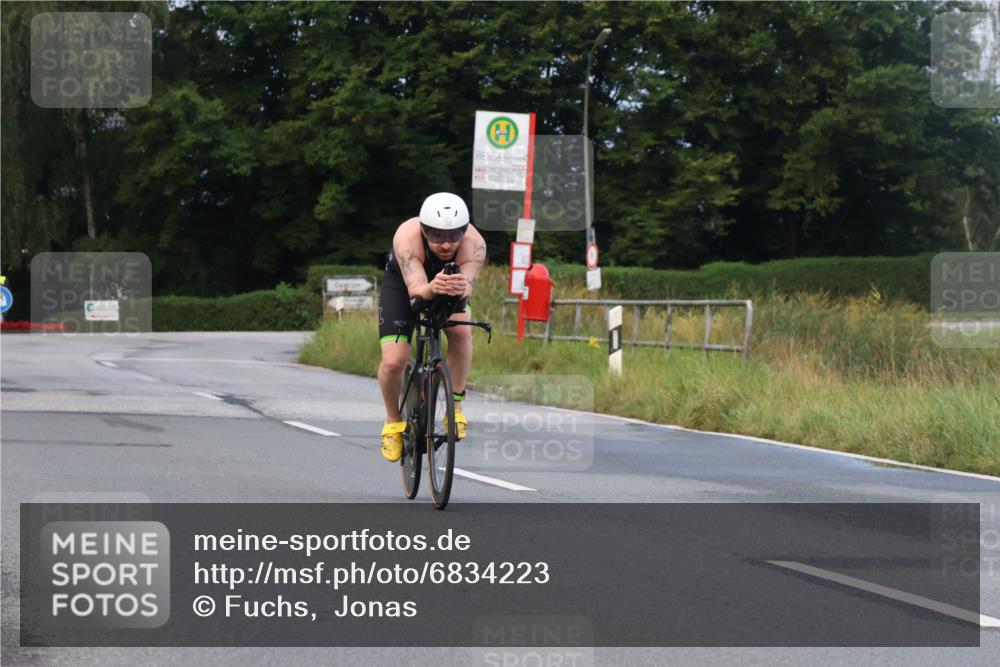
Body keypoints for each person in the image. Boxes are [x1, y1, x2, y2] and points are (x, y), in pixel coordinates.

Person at [377, 192, 487, 462]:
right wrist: (431, 287)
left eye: (454, 236)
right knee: (394, 361)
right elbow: (416, 291)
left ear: (464, 230)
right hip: (404, 288)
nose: (446, 244)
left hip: (447, 286)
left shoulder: (475, 244)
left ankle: (456, 409)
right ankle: (393, 423)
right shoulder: (407, 237)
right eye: (437, 236)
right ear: (424, 229)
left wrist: (462, 288)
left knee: (461, 332)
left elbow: (467, 287)